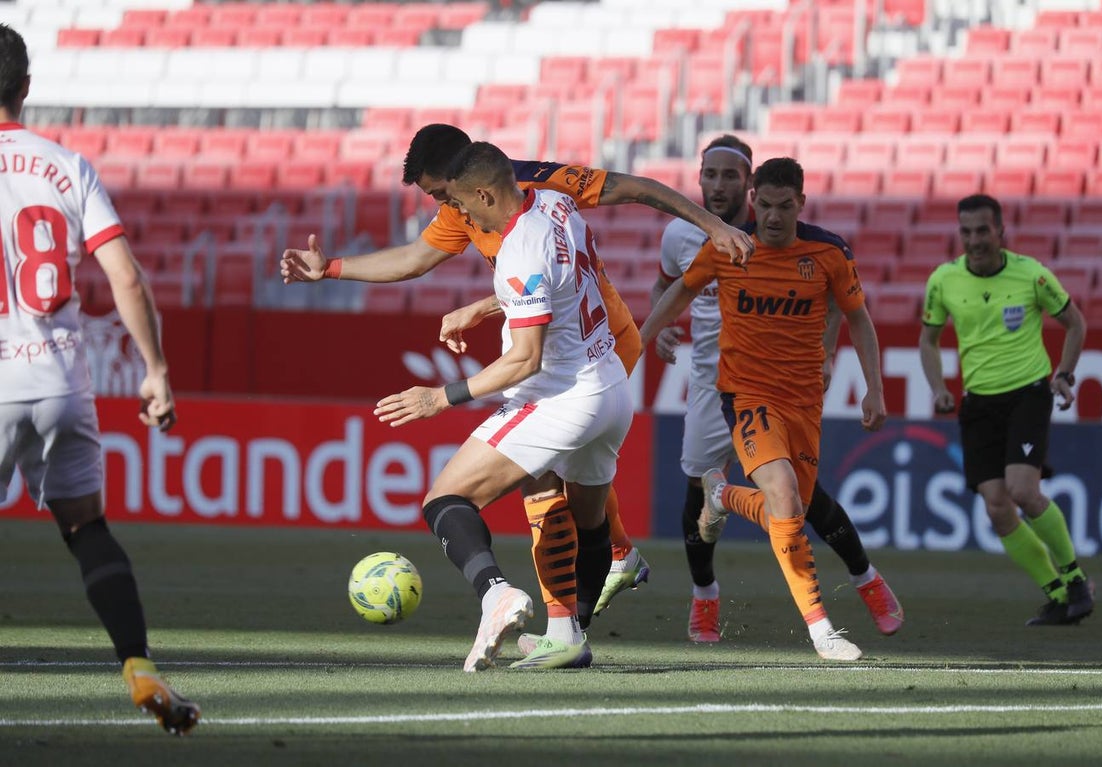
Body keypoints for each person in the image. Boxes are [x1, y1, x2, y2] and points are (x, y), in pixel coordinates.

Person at [283, 123, 754, 623]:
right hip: (562, 351)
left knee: (543, 480)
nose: (446, 207)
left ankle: (568, 609)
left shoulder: (541, 185)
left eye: (442, 193)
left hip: (597, 346)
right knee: (560, 486)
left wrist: (713, 226)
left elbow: (633, 190)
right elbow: (419, 258)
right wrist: (332, 268)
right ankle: (599, 578)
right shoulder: (472, 207)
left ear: (470, 176)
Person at [0, 25, 198, 734]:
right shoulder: (65, 165)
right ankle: (139, 665)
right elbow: (124, 276)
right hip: (58, 376)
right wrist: (156, 370)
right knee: (86, 526)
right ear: (25, 89)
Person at [373, 141, 632, 670]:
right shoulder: (556, 203)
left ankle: (496, 594)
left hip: (562, 395)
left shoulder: (517, 250)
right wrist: (490, 305)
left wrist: (441, 396)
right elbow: (558, 280)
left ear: (486, 193)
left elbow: (525, 361)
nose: (460, 215)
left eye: (464, 204)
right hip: (612, 386)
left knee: (445, 499)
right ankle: (568, 636)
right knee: (590, 523)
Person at [651, 136, 903, 643]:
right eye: (711, 175)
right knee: (711, 489)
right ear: (699, 179)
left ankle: (864, 576)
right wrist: (648, 336)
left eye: (730, 177)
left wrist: (836, 364)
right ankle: (707, 599)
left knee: (798, 503)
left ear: (748, 186)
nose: (720, 185)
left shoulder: (821, 250)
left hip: (796, 390)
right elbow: (669, 288)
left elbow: (843, 309)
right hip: (718, 384)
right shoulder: (691, 238)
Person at [919, 194, 1093, 626]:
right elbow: (929, 338)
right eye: (966, 231)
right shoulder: (943, 280)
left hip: (1027, 393)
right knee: (996, 506)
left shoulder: (1031, 274)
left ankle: (1075, 579)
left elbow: (1076, 323)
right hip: (978, 403)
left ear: (1000, 231)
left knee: (1021, 490)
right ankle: (1057, 595)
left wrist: (1065, 376)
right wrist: (939, 387)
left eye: (983, 230)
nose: (974, 240)